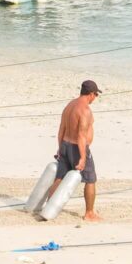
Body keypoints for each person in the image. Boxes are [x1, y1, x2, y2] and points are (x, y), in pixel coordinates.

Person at [47, 79, 102, 221]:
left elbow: (61, 130)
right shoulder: (84, 110)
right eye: (96, 94)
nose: (95, 98)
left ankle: (48, 208)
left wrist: (60, 149)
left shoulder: (70, 105)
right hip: (78, 148)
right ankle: (89, 213)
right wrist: (83, 157)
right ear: (91, 94)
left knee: (59, 178)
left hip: (65, 144)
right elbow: (81, 136)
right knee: (90, 180)